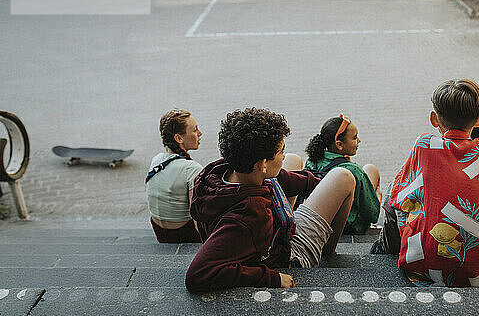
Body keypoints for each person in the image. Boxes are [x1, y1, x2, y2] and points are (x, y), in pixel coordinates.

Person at [185, 108, 355, 292]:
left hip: (266, 235)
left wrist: (316, 183)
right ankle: (326, 252)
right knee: (343, 177)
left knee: (293, 160)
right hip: (286, 257)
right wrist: (269, 278)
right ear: (263, 164)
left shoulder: (219, 170)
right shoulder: (249, 215)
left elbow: (278, 178)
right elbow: (197, 274)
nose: (283, 155)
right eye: (281, 150)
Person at [373, 79, 479, 287]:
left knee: (395, 195)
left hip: (425, 263)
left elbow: (399, 198)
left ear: (434, 119)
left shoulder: (424, 146)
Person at [304, 114, 382, 234]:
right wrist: (377, 196)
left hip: (318, 221)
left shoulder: (311, 161)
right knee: (371, 169)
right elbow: (373, 215)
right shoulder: (353, 170)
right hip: (347, 227)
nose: (359, 141)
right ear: (339, 144)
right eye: (355, 138)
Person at [145, 109, 204, 243]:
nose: (200, 133)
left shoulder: (157, 160)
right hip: (184, 233)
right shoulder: (192, 169)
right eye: (195, 130)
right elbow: (197, 219)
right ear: (179, 138)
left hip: (159, 232)